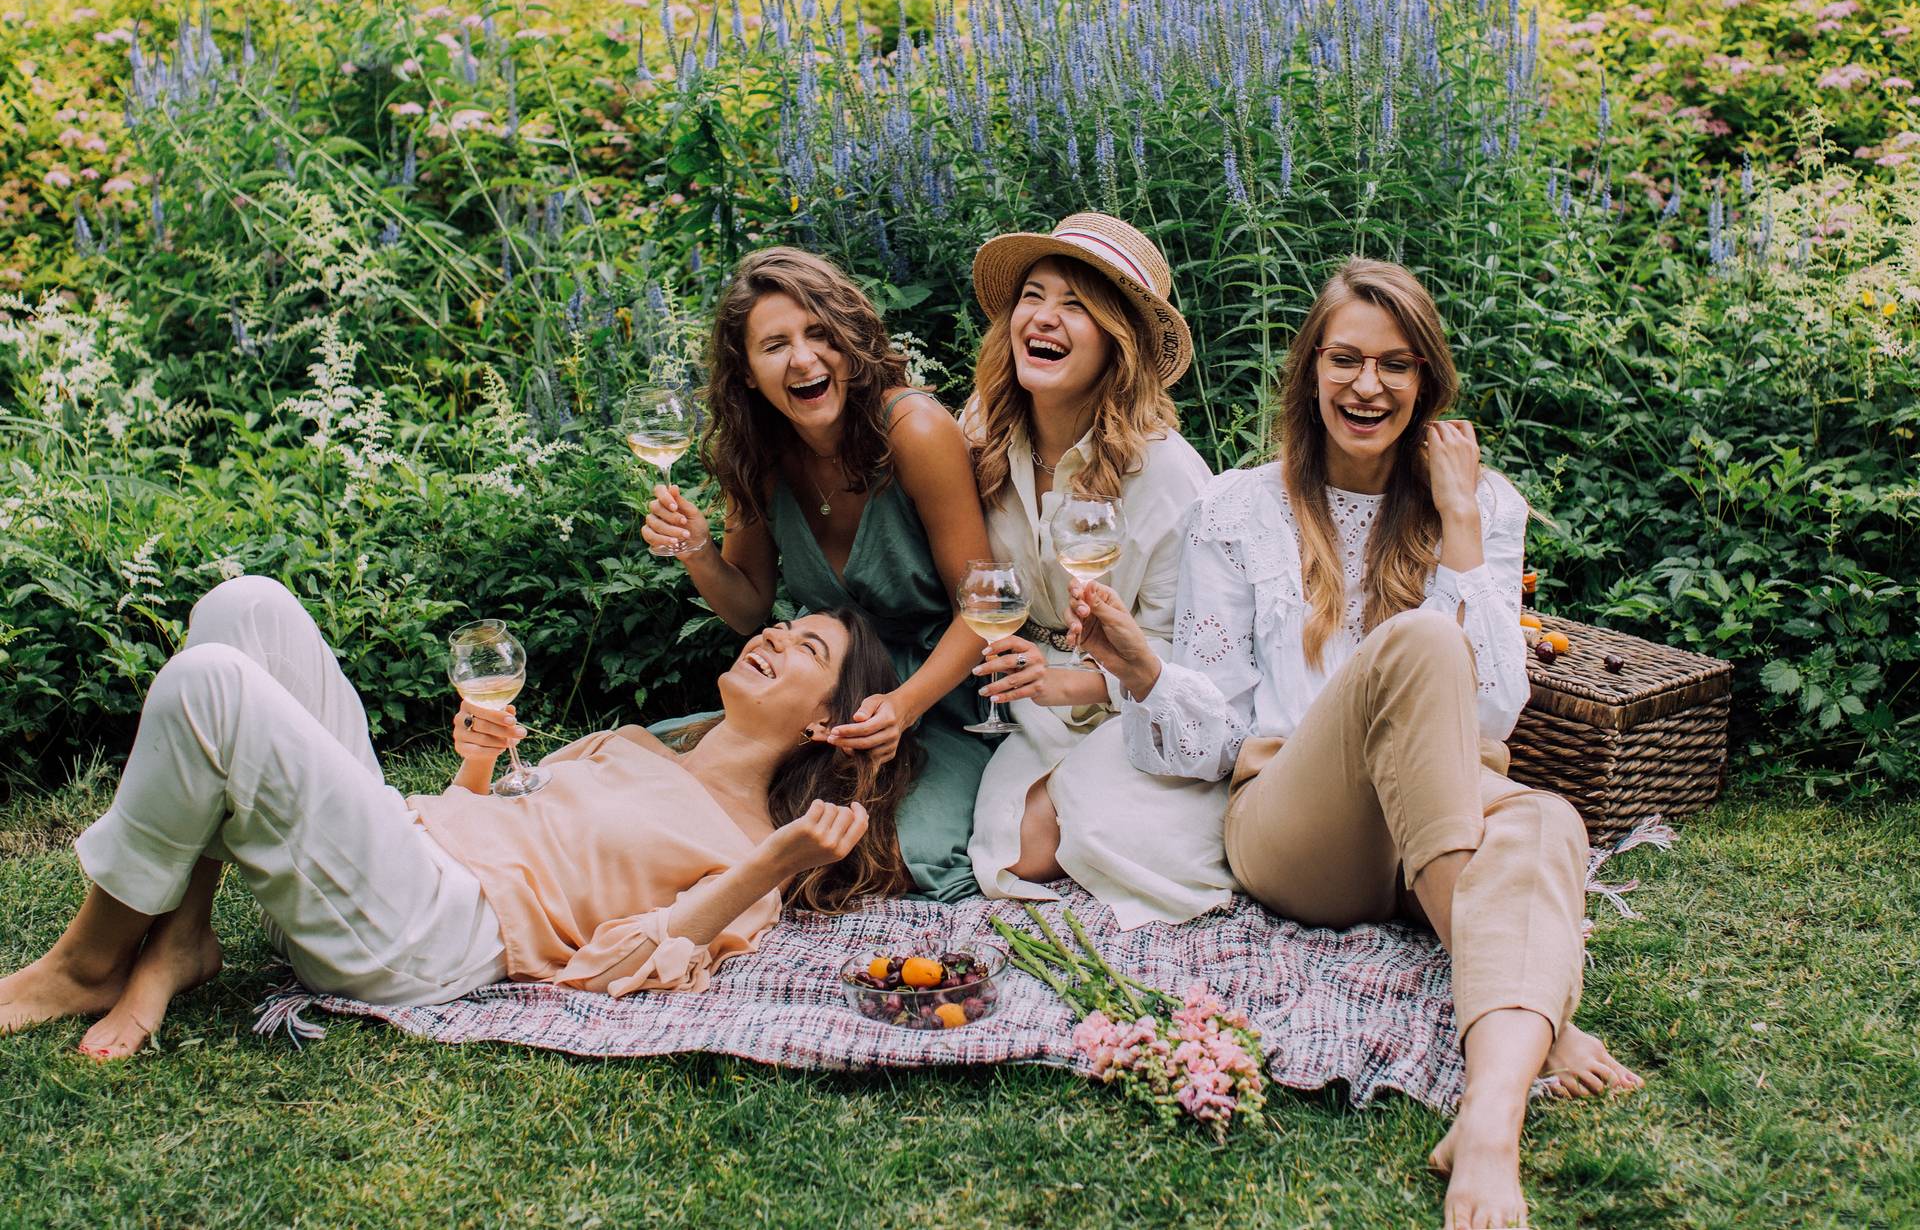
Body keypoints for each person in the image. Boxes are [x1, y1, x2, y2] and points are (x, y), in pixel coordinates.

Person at [1065, 258, 1643, 1230]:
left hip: (1442, 815)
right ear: (1310, 372)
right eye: (1345, 359)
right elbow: (1210, 736)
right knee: (1422, 643)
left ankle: (1491, 1116)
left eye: (1396, 364)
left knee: (1547, 815)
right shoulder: (1240, 509)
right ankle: (1541, 1008)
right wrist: (1143, 667)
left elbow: (1495, 714)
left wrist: (1459, 523)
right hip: (1302, 829)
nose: (1368, 384)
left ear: (1427, 382)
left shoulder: (1482, 506)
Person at [0, 575, 908, 1060]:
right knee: (247, 610)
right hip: (407, 844)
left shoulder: (752, 848)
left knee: (212, 686)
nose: (773, 637)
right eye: (780, 627)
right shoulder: (628, 743)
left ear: (825, 719)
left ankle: (84, 963)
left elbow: (618, 967)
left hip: (435, 932)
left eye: (806, 648)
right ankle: (177, 943)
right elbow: (487, 815)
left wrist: (778, 862)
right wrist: (475, 761)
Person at [642, 248, 993, 901]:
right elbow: (750, 609)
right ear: (747, 373)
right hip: (819, 699)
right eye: (775, 345)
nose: (804, 359)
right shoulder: (755, 453)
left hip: (937, 699)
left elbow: (984, 608)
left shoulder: (915, 431)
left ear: (850, 344)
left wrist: (904, 706)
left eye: (820, 335)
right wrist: (697, 549)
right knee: (668, 780)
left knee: (897, 854)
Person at [960, 213, 1230, 928]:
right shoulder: (986, 433)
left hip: (1138, 706)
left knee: (1087, 831)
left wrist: (1072, 681)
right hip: (1032, 707)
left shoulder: (1168, 475)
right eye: (1034, 296)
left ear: (1119, 344)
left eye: (1077, 306)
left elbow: (1196, 661)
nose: (1045, 318)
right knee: (1012, 853)